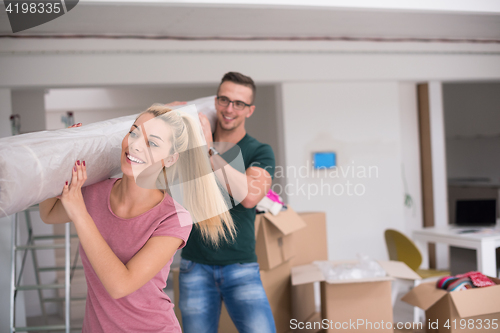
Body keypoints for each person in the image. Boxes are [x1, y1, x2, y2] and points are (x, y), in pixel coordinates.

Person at [39, 105, 235, 333]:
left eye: (152, 143)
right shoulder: (95, 192)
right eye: (133, 133)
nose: (135, 145)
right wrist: (61, 157)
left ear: (170, 159)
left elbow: (120, 285)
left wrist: (80, 214)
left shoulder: (173, 218)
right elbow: (49, 214)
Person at [179, 72, 276, 333]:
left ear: (250, 110)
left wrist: (210, 151)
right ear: (215, 100)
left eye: (239, 103)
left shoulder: (259, 151)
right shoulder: (193, 144)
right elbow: (162, 119)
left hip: (241, 266)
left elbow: (250, 197)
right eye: (224, 100)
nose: (229, 109)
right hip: (194, 265)